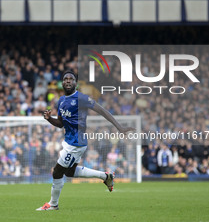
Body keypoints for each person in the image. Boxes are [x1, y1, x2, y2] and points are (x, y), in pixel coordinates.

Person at [36, 70, 135, 211]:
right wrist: (49, 119)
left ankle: (53, 204)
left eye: (71, 79)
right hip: (69, 141)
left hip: (76, 142)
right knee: (69, 172)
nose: (68, 80)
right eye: (65, 79)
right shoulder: (61, 101)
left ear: (76, 83)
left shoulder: (81, 98)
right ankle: (106, 176)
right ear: (62, 83)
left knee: (57, 172)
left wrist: (119, 127)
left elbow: (102, 111)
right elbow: (60, 123)